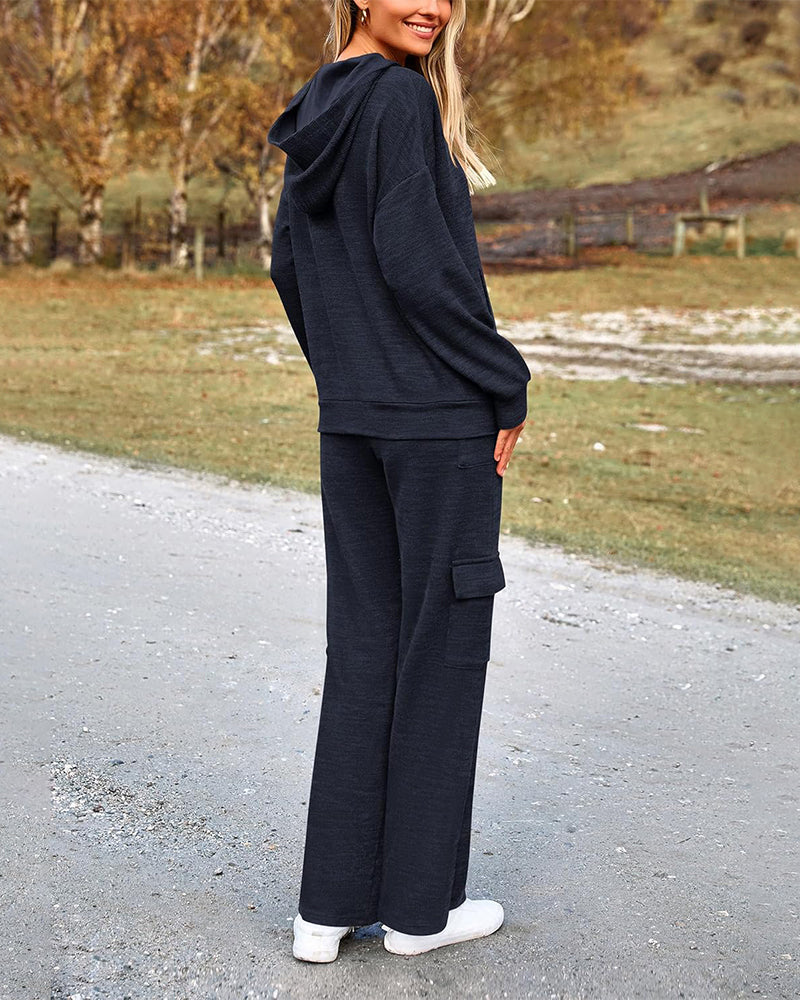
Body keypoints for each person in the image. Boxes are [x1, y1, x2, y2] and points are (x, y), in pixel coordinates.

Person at [267, 0, 530, 962]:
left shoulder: (318, 104)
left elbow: (288, 263)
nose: (435, 7)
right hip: (439, 427)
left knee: (366, 652)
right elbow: (420, 264)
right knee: (439, 658)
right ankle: (420, 913)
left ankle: (326, 911)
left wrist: (349, 375)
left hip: (354, 424)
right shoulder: (400, 101)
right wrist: (504, 379)